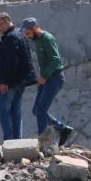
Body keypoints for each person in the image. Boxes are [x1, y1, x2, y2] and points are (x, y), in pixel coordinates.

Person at [20, 17, 74, 148]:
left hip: (54, 78)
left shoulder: (47, 39)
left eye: (28, 33)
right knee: (36, 110)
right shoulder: (38, 40)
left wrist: (44, 75)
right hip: (46, 79)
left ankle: (43, 142)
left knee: (41, 110)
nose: (27, 37)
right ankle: (62, 128)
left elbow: (56, 60)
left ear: (34, 28)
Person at [0, 12, 37, 141]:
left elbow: (11, 61)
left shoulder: (11, 37)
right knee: (15, 112)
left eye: (0, 25)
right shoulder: (19, 35)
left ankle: (9, 140)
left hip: (10, 83)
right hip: (19, 82)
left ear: (7, 21)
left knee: (2, 111)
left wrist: (4, 81)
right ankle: (17, 142)